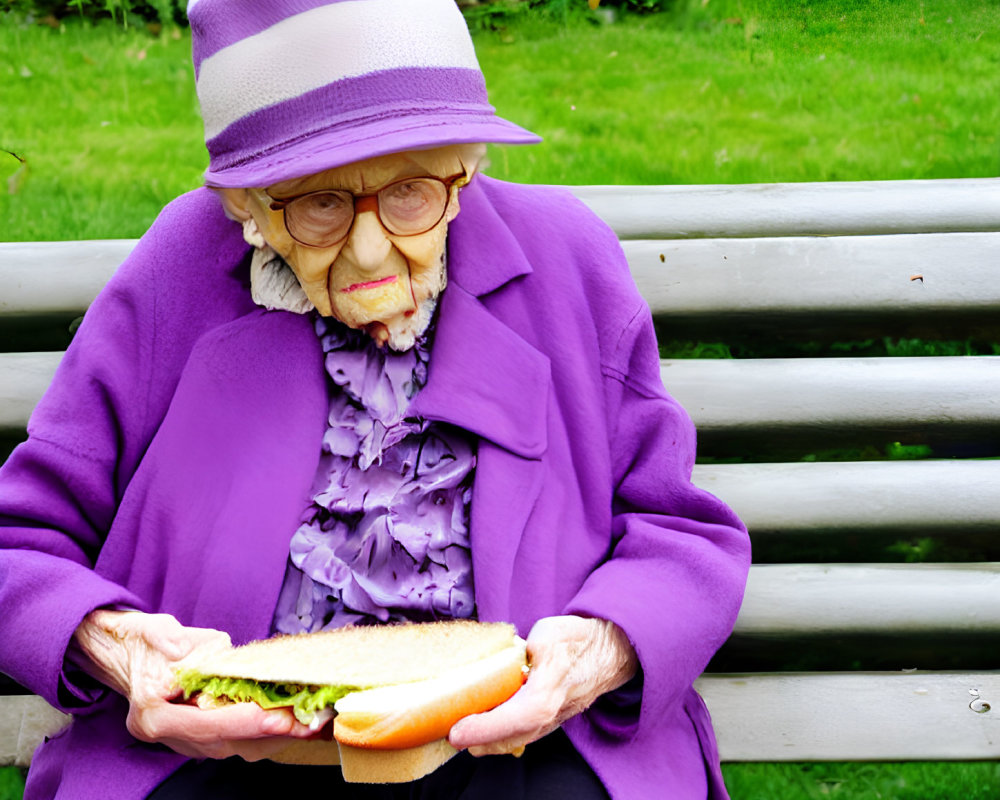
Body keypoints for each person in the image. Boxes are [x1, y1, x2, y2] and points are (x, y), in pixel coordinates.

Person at [0, 1, 750, 798]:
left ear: (466, 172)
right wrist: (121, 650)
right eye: (317, 204)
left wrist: (600, 647)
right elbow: (18, 541)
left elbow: (678, 530)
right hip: (224, 758)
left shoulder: (565, 260)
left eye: (411, 194)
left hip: (522, 748)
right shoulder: (180, 273)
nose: (368, 250)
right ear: (244, 206)